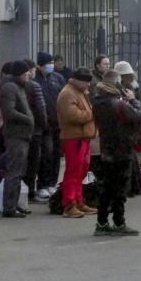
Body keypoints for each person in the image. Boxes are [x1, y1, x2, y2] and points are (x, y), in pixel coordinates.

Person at [91, 70, 141, 236]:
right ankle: (119, 222)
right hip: (122, 148)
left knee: (106, 187)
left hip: (106, 148)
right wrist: (134, 101)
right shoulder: (118, 104)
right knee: (120, 188)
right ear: (116, 84)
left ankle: (101, 222)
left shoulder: (97, 101)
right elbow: (139, 117)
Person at [57, 68, 98, 218]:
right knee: (73, 172)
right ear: (77, 80)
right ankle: (69, 205)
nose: (88, 85)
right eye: (86, 82)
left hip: (82, 137)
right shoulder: (68, 93)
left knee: (81, 171)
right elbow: (72, 116)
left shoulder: (79, 91)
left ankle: (78, 201)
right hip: (74, 138)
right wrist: (93, 113)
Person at [0, 60, 35, 218]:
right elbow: (8, 111)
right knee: (14, 172)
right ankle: (9, 207)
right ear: (20, 73)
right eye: (26, 73)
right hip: (16, 135)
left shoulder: (18, 87)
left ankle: (15, 204)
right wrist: (28, 119)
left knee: (19, 171)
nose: (28, 75)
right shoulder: (10, 87)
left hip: (22, 135)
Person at [35, 52, 66, 201]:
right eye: (48, 63)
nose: (51, 65)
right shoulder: (35, 79)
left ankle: (52, 183)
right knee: (46, 154)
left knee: (56, 155)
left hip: (58, 123)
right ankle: (42, 184)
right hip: (43, 125)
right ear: (40, 65)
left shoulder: (57, 78)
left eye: (52, 62)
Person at [22, 59, 49, 204]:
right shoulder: (34, 86)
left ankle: (21, 192)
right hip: (35, 130)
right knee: (33, 162)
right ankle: (30, 192)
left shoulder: (10, 85)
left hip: (19, 131)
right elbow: (40, 109)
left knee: (21, 163)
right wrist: (44, 125)